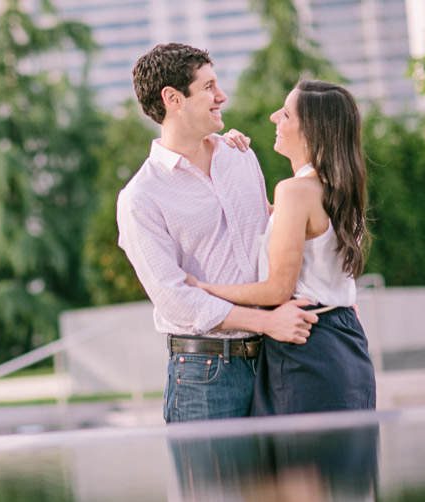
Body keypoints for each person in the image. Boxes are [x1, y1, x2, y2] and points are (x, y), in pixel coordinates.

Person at [117, 43, 318, 423]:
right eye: (208, 87)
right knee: (216, 484)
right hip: (204, 374)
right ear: (173, 98)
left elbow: (275, 239)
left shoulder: (240, 156)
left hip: (277, 361)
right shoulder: (140, 198)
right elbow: (173, 298)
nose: (221, 96)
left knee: (282, 484)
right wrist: (265, 321)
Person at [188, 80, 376, 414]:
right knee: (345, 463)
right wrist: (224, 152)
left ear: (313, 130)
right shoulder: (339, 190)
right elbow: (258, 214)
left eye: (286, 114)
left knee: (300, 464)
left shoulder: (295, 191)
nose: (275, 117)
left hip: (306, 347)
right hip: (345, 343)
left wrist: (206, 289)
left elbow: (277, 290)